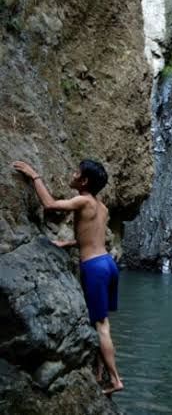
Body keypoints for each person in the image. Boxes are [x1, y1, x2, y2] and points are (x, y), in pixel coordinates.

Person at [12, 159, 124, 396]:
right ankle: (100, 373)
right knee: (101, 322)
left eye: (76, 173)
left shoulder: (82, 200)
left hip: (94, 267)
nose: (72, 174)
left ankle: (115, 379)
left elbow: (51, 205)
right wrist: (69, 243)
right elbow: (95, 238)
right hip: (108, 265)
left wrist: (34, 176)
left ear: (83, 181)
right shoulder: (101, 207)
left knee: (101, 326)